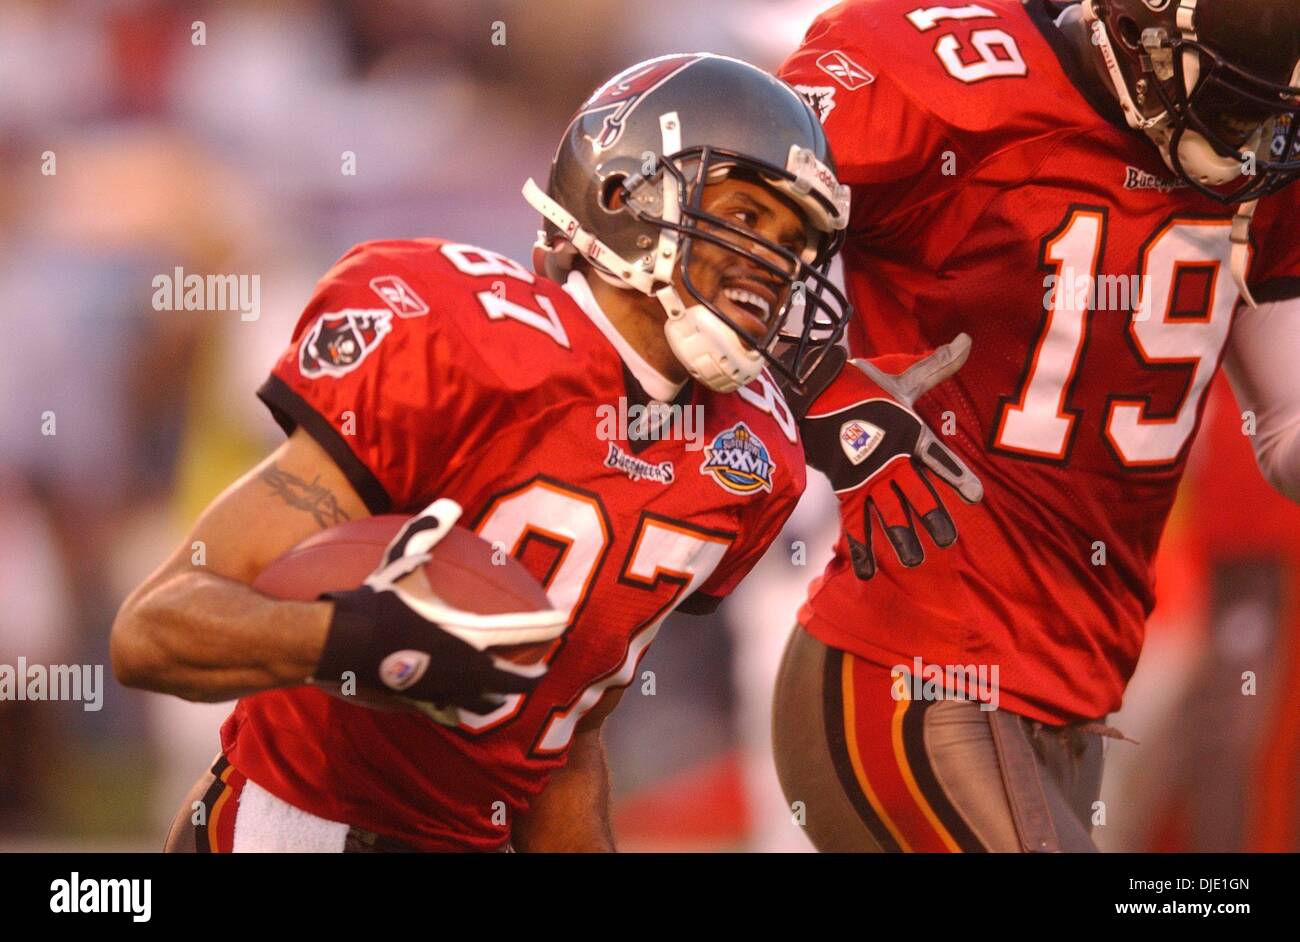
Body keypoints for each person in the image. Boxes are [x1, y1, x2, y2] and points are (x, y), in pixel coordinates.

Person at [110, 53, 856, 852]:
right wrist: (361, 642)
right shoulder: (457, 335)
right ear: (622, 196)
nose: (773, 264)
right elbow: (154, 631)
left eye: (792, 240)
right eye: (744, 218)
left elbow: (565, 742)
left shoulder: (750, 453)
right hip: (300, 827)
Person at [772, 0, 1300, 851]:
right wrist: (822, 392)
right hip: (917, 663)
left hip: (1075, 697)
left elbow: (1287, 428)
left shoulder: (1264, 152)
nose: (1255, 136)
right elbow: (716, 211)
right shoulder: (946, 77)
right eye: (1235, 102)